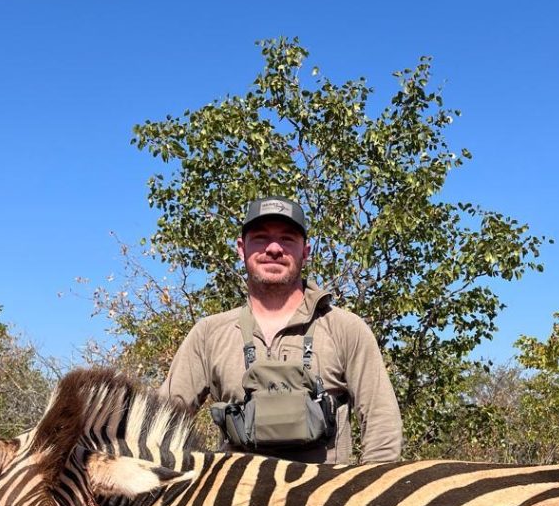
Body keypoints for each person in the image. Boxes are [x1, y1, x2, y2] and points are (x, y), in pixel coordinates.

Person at [160, 196, 402, 465]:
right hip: (236, 491)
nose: (274, 248)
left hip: (326, 491)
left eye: (287, 239)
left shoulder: (345, 328)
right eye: (260, 238)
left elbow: (382, 423)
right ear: (241, 249)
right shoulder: (208, 334)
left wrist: (367, 488)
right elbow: (161, 423)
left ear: (305, 252)